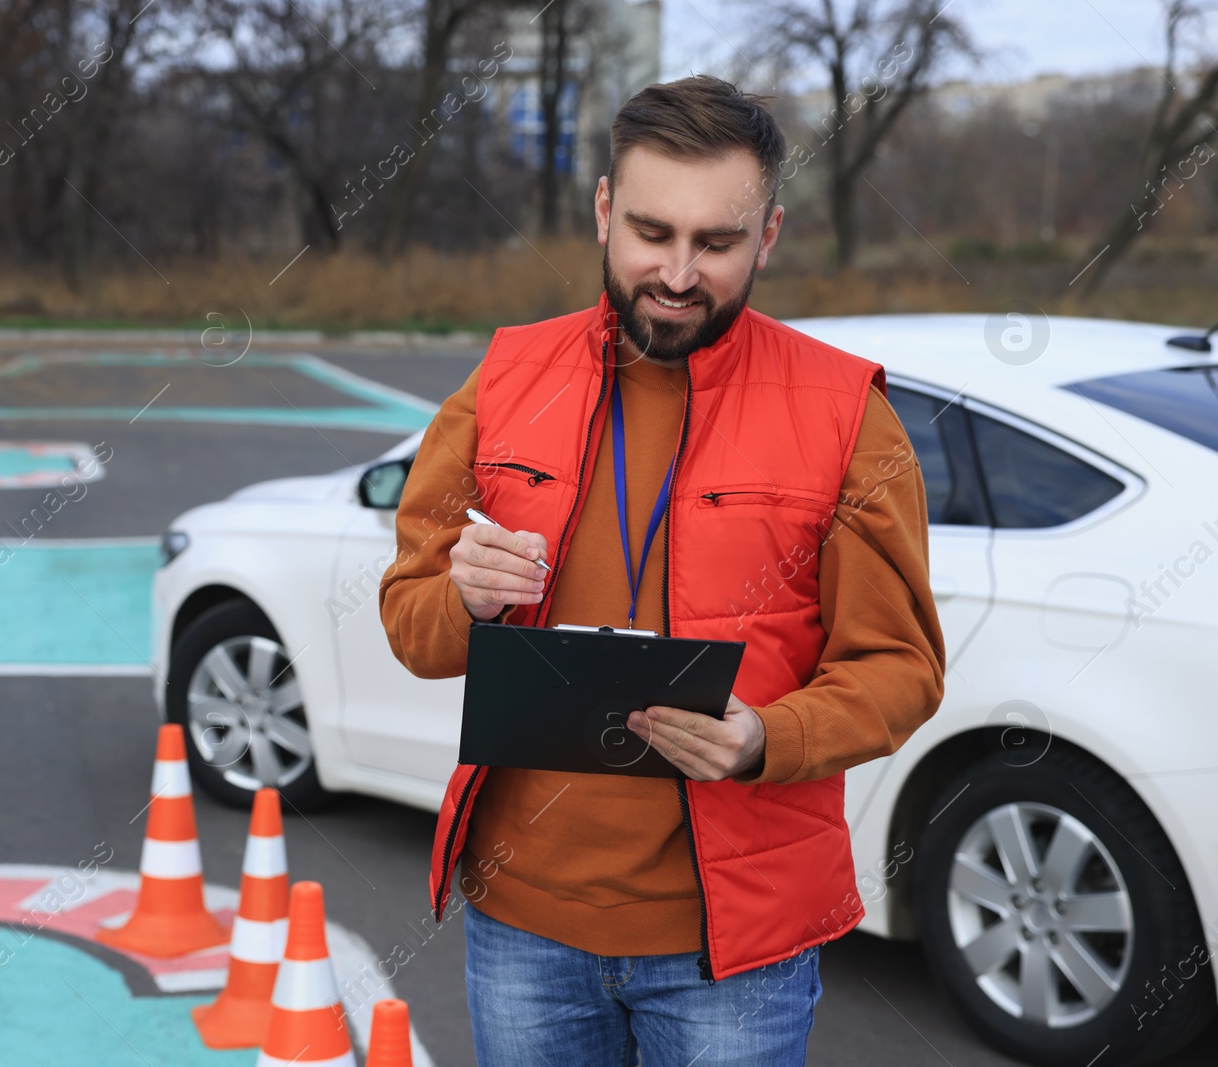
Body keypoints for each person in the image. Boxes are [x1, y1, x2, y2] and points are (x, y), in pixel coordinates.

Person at [377, 75, 946, 1067]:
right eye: (650, 232)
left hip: (735, 953)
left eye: (715, 243)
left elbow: (902, 666)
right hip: (521, 926)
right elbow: (409, 624)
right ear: (603, 210)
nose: (677, 272)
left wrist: (772, 733)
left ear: (766, 235)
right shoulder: (504, 381)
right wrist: (463, 598)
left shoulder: (847, 413)